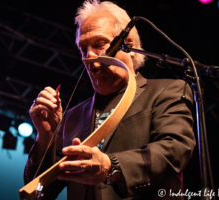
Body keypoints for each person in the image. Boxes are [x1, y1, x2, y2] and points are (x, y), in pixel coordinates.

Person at [24, 0, 196, 199]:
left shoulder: (166, 91)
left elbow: (175, 150)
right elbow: (38, 192)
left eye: (99, 45)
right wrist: (45, 135)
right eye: (83, 49)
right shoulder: (72, 117)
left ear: (129, 46)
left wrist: (111, 166)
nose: (88, 57)